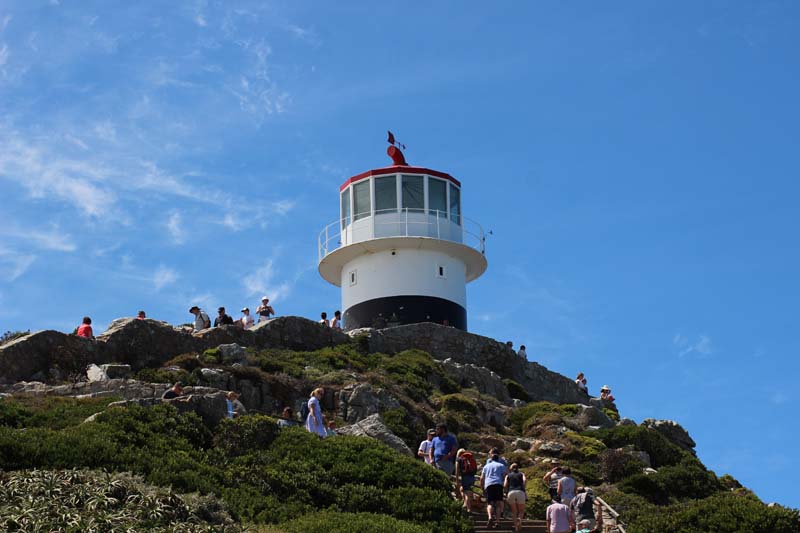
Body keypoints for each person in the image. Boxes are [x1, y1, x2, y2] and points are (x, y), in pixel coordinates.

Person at [480, 447, 508, 529]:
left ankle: (490, 517)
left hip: (489, 485)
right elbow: (505, 476)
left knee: (490, 503)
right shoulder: (502, 465)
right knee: (499, 504)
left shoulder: (486, 466)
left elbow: (482, 478)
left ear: (491, 458)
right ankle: (498, 521)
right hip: (498, 484)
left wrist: (482, 487)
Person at [505, 462, 527, 533]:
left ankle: (516, 527)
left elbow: (505, 485)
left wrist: (506, 491)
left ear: (511, 468)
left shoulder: (508, 475)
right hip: (520, 491)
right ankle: (520, 519)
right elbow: (524, 481)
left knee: (514, 511)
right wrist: (523, 487)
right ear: (518, 468)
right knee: (521, 511)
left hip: (511, 492)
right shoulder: (521, 474)